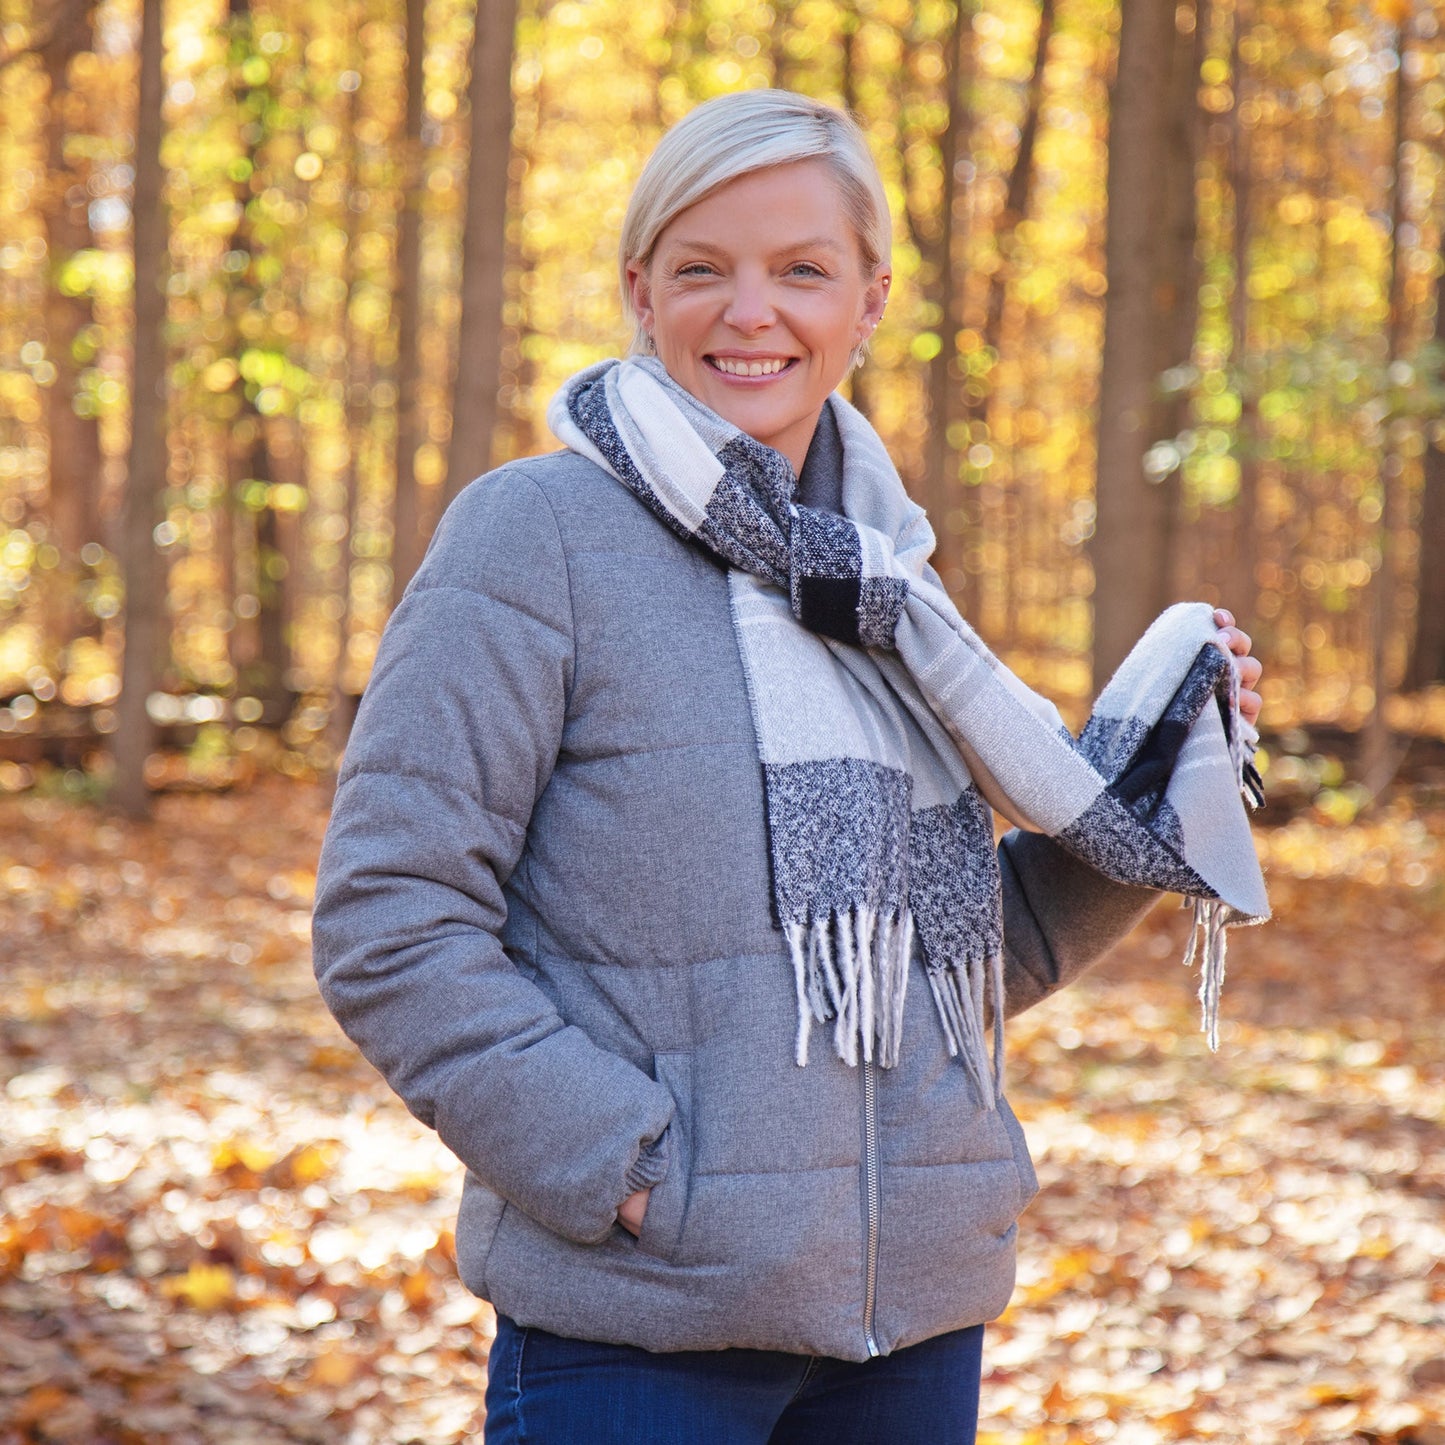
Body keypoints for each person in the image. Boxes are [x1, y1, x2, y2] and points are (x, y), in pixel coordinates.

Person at [312, 90, 1268, 1444]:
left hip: (912, 1326)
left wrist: (1164, 771)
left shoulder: (891, 581)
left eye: (800, 271)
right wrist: (629, 1170)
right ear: (640, 292)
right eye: (702, 268)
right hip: (642, 1330)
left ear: (869, 299)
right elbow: (388, 916)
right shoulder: (538, 536)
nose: (749, 312)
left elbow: (962, 964)